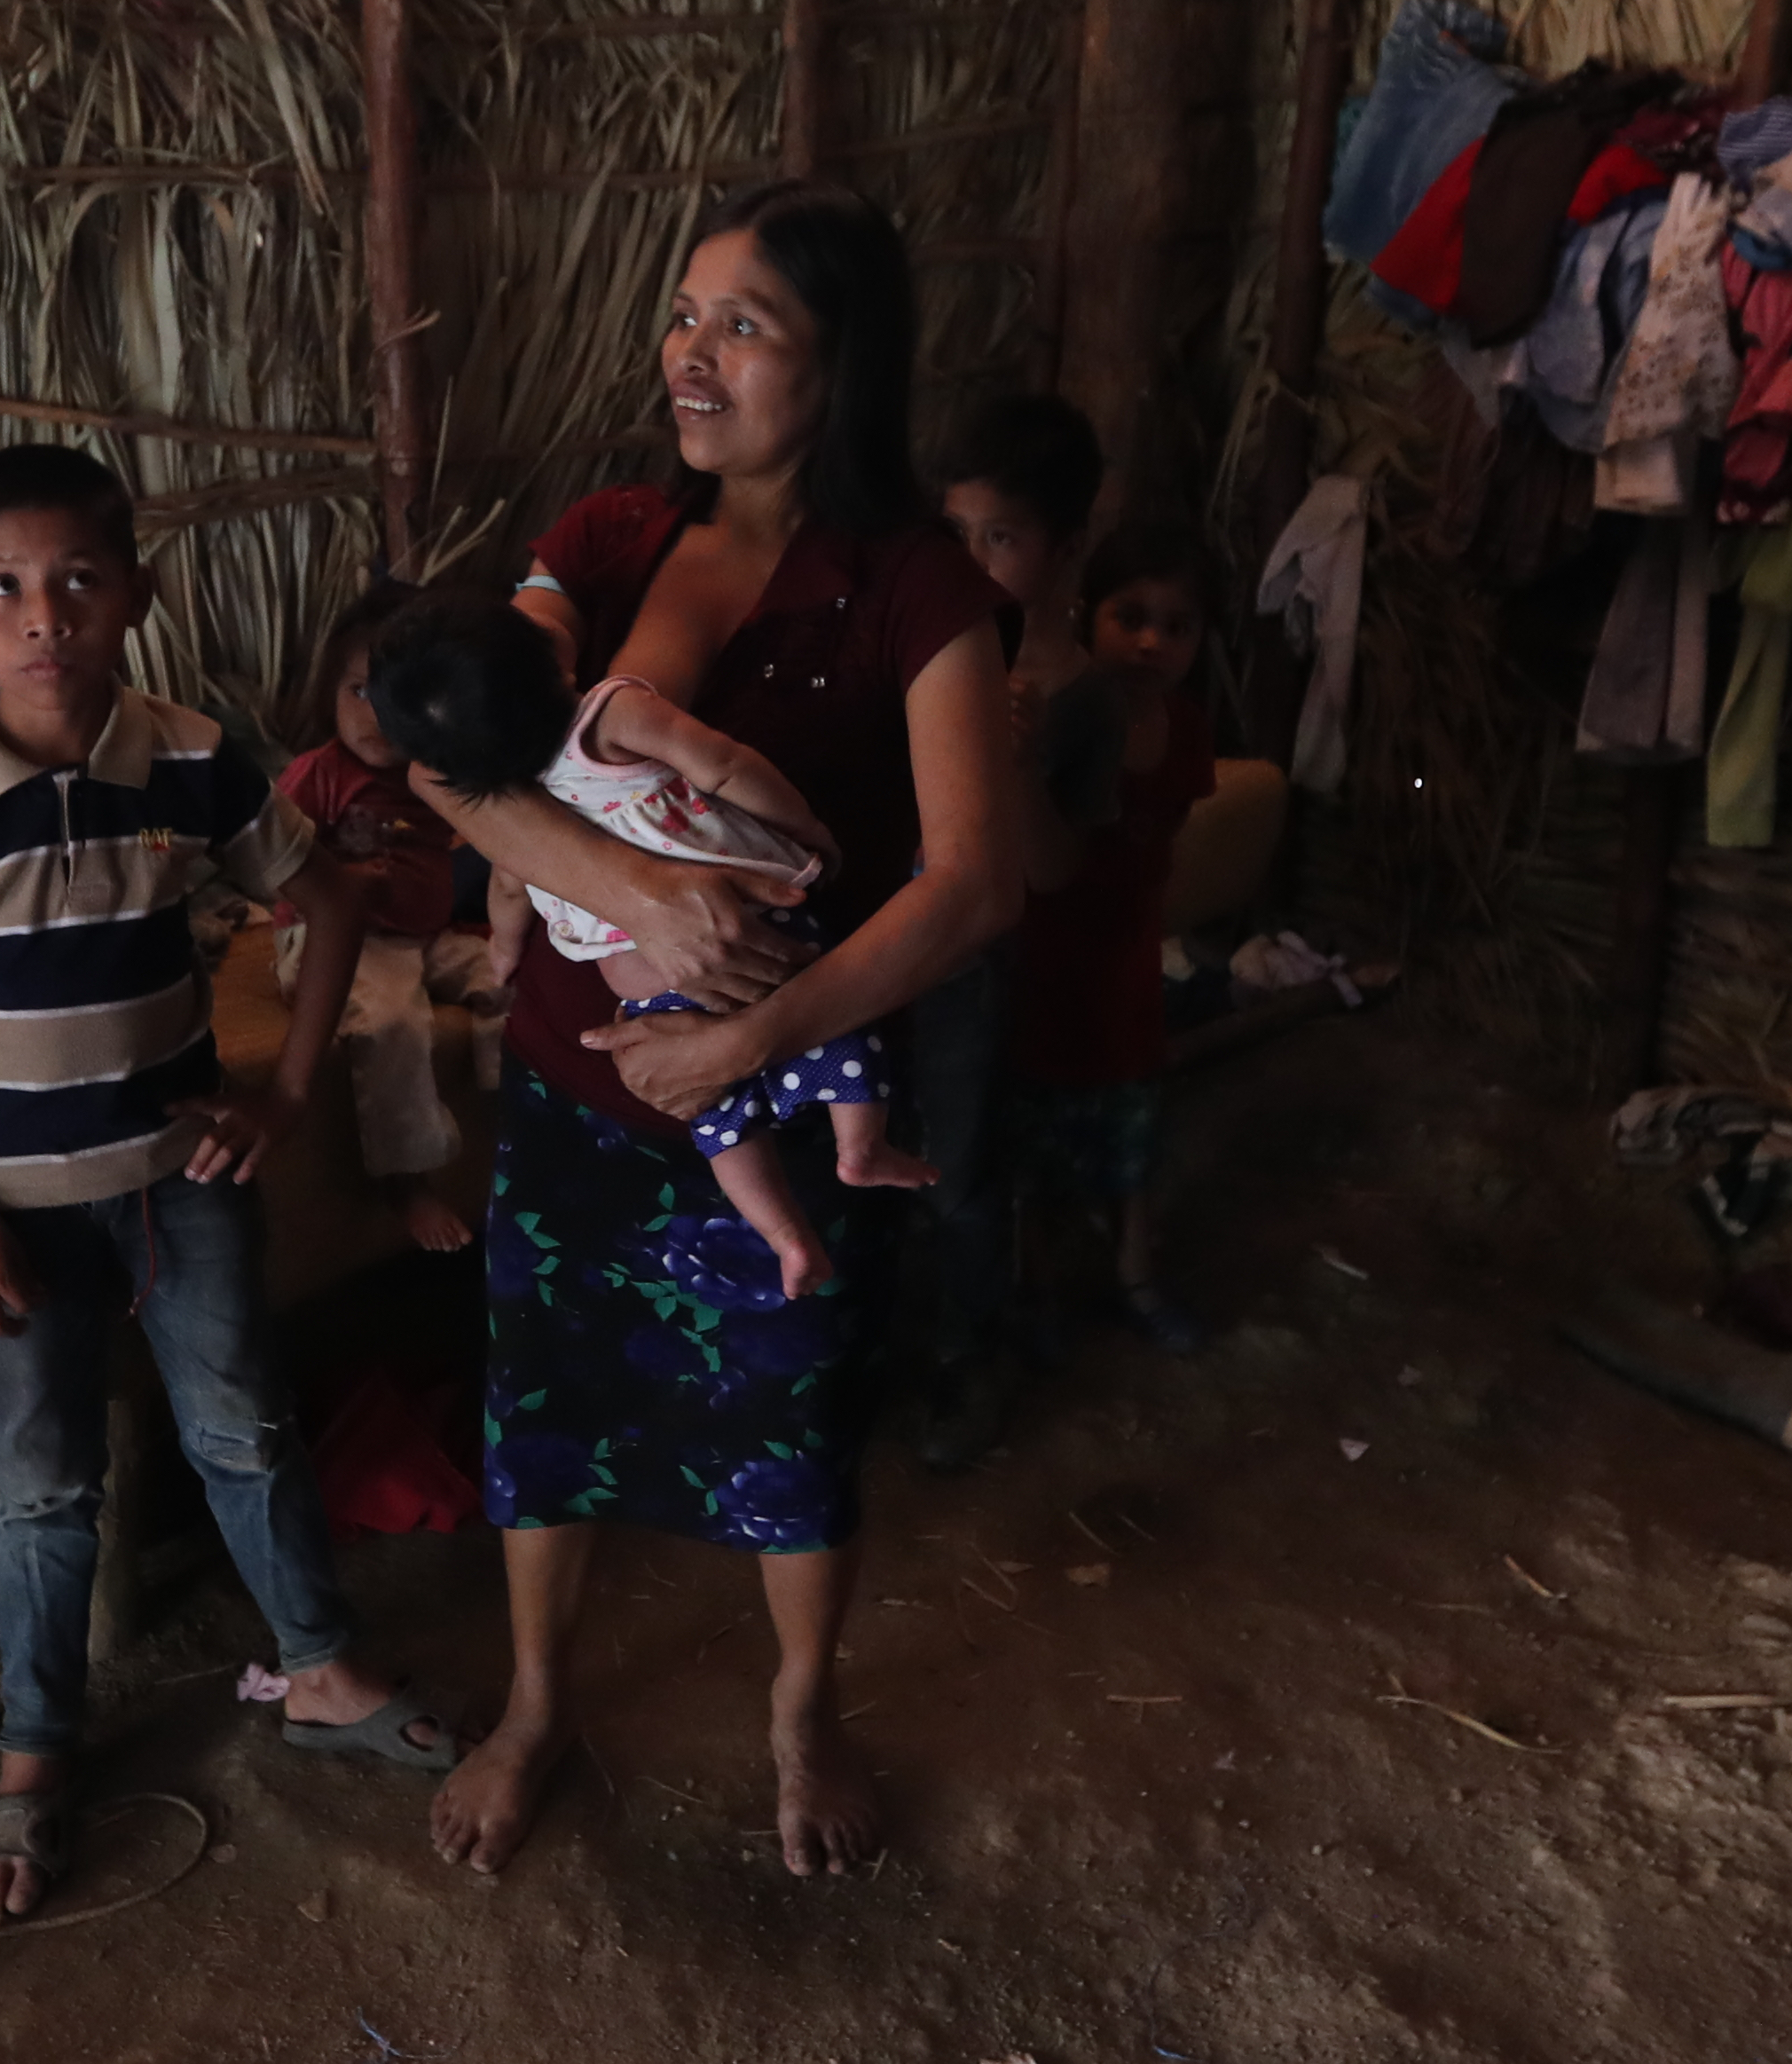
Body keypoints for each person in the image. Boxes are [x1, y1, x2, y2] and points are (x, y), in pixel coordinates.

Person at [396, 184, 1020, 1879]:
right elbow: (446, 747)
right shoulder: (603, 540)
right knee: (547, 1400)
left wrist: (755, 1039)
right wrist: (639, 896)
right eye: (685, 312)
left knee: (790, 1415)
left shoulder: (919, 590)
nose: (692, 351)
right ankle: (537, 1703)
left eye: (744, 324)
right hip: (575, 1087)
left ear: (843, 363)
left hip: (790, 1090)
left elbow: (972, 882)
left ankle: (801, 1710)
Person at [0, 445, 461, 1918]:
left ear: (137, 595)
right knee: (43, 1479)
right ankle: (37, 1743)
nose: (45, 613)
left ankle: (318, 1666)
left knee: (245, 1425)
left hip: (181, 1181)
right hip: (10, 1211)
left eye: (78, 580)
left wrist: (284, 1094)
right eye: (5, 586)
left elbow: (327, 899)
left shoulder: (189, 758)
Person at [363, 595, 938, 1305]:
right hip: (754, 919)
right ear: (553, 661)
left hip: (651, 988)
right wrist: (803, 827)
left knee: (716, 1116)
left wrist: (505, 954)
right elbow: (722, 765)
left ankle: (786, 1235)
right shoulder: (608, 716)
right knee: (836, 1016)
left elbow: (509, 893)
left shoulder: (513, 809)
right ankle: (861, 1145)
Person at [908, 392, 1112, 1465]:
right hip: (880, 952)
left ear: (1065, 549)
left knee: (961, 1175)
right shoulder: (918, 655)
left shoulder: (1079, 699)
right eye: (956, 532)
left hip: (972, 976)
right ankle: (884, 1346)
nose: (973, 562)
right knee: (861, 1151)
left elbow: (1055, 868)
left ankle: (964, 1362)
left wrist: (1018, 764)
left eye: (1002, 538)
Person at [1010, 525, 1222, 1353]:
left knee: (1134, 1127)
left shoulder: (1187, 730)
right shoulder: (1059, 721)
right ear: (1085, 615)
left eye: (1178, 626)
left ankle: (1135, 1275)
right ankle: (1037, 1289)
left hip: (1126, 961)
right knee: (1030, 1139)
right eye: (1130, 617)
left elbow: (1161, 848)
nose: (1152, 643)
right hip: (1041, 960)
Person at [271, 580, 484, 1257]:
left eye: (402, 696)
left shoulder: (438, 778)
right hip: (335, 944)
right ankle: (404, 1177)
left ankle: (499, 1108)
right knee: (394, 1020)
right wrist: (338, 885)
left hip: (423, 936)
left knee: (513, 977)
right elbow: (269, 867)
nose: (376, 715)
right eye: (359, 690)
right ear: (330, 691)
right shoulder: (318, 775)